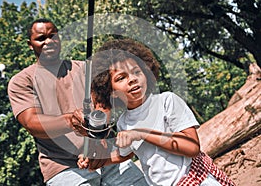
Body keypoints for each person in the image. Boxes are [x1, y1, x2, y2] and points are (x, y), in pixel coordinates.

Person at [7, 18, 148, 185]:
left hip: (108, 155)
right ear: (30, 44)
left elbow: (102, 103)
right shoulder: (21, 81)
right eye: (41, 38)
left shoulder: (84, 69)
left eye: (53, 36)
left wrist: (98, 139)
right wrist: (71, 121)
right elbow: (31, 122)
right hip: (63, 167)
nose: (48, 41)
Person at [78, 39, 235, 186]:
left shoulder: (167, 102)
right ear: (110, 91)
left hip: (197, 179)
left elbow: (192, 147)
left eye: (136, 72)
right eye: (121, 78)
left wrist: (142, 133)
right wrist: (99, 161)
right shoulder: (123, 122)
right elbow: (127, 153)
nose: (132, 79)